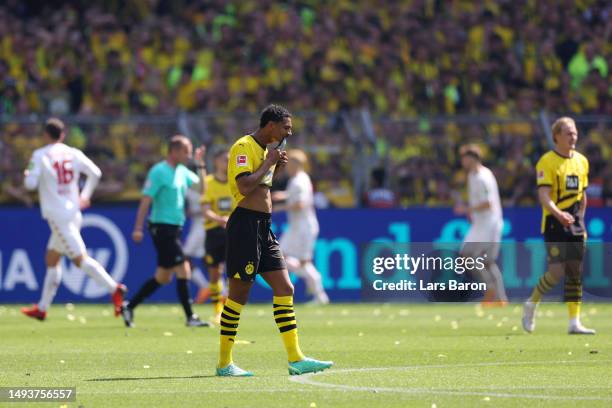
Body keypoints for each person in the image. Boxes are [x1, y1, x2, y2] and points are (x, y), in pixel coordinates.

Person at [216, 104, 333, 377]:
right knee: (238, 296)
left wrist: (274, 169)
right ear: (271, 125)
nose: (288, 133)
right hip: (244, 225)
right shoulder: (243, 146)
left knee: (285, 287)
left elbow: (263, 188)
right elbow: (245, 187)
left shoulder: (266, 152)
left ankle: (296, 358)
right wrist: (269, 162)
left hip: (264, 227)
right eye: (286, 128)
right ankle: (224, 363)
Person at [21, 118, 127, 321]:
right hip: (73, 212)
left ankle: (114, 288)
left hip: (58, 216)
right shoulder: (73, 153)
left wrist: (28, 174)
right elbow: (95, 172)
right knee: (52, 258)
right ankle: (42, 308)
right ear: (62, 135)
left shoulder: (40, 155)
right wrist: (85, 195)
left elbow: (30, 185)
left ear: (45, 135)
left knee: (80, 259)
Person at [121, 135, 209, 328]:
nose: (188, 155)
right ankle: (190, 317)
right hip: (161, 228)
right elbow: (146, 200)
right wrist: (138, 227)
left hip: (175, 228)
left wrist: (200, 164)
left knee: (163, 276)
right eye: (186, 151)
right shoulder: (158, 171)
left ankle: (129, 306)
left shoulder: (182, 171)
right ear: (174, 151)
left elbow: (203, 188)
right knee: (183, 268)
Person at [522, 117, 595, 335]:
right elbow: (544, 195)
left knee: (575, 271)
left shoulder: (582, 161)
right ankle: (531, 304)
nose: (573, 136)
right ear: (556, 136)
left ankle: (574, 322)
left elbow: (582, 195)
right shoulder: (547, 161)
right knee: (556, 272)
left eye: (574, 132)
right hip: (555, 222)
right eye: (568, 133)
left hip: (575, 223)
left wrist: (580, 220)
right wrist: (558, 213)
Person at [454, 144, 507, 306]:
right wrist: (472, 213)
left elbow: (488, 203)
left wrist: (466, 209)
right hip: (480, 223)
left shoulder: (483, 177)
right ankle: (500, 298)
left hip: (489, 223)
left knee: (469, 257)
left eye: (465, 158)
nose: (462, 162)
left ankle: (491, 289)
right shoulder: (472, 175)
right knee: (486, 262)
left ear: (473, 158)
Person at [274, 149, 329, 304]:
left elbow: (300, 204)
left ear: (297, 164)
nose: (286, 167)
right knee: (281, 257)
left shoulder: (300, 181)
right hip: (296, 227)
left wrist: (280, 207)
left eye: (289, 163)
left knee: (301, 262)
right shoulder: (298, 179)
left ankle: (319, 292)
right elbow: (295, 196)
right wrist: (284, 195)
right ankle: (318, 291)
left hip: (303, 228)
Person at [200, 148, 233, 324]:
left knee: (232, 273)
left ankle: (228, 310)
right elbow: (205, 210)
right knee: (214, 273)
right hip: (214, 231)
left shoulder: (237, 182)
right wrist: (221, 219)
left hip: (233, 231)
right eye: (224, 159)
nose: (227, 162)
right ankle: (217, 310)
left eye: (229, 159)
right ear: (216, 162)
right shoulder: (208, 182)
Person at [182, 176, 210, 301]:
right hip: (200, 227)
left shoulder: (208, 185)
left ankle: (205, 286)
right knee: (208, 259)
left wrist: (193, 212)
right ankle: (219, 290)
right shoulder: (188, 189)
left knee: (184, 258)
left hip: (202, 228)